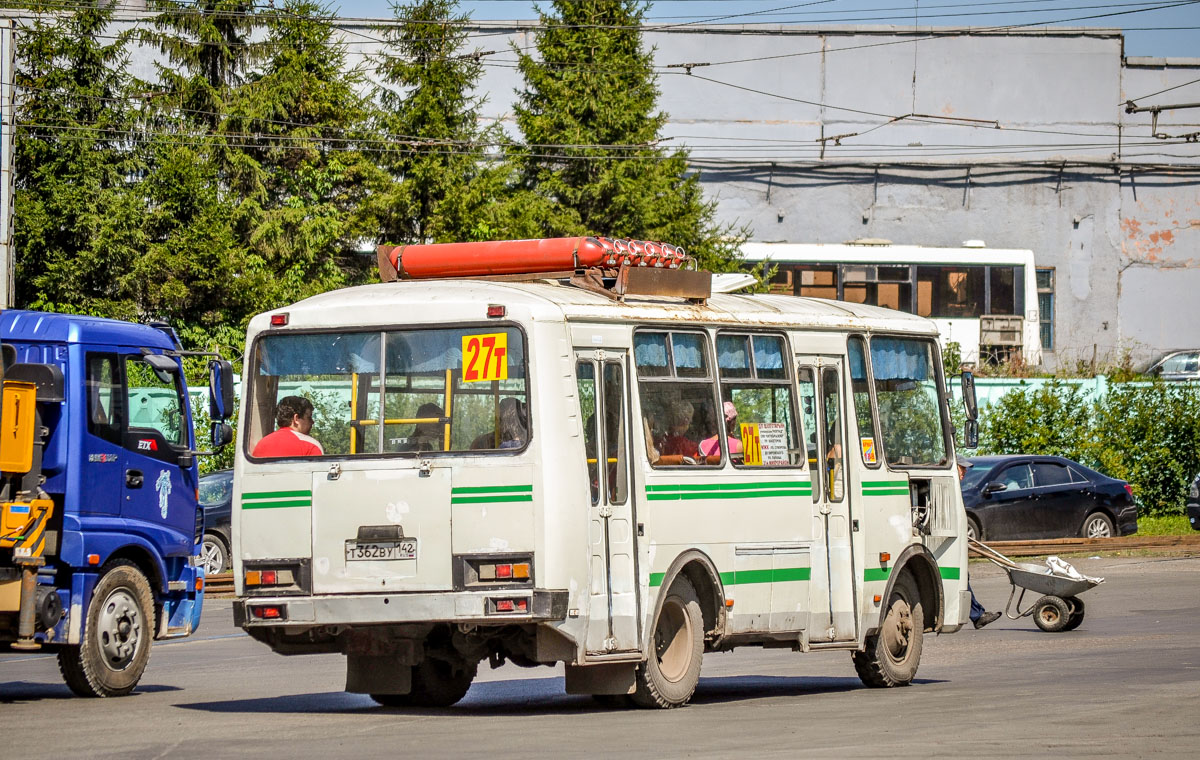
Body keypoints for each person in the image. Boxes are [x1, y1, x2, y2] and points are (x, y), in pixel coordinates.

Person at [959, 453, 1001, 629]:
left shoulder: (954, 488)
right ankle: (977, 615)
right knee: (960, 577)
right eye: (962, 469)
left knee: (962, 576)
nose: (965, 473)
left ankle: (977, 615)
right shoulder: (944, 486)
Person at [252, 396, 323, 457]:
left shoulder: (261, 445)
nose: (312, 422)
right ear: (296, 418)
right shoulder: (310, 446)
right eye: (309, 417)